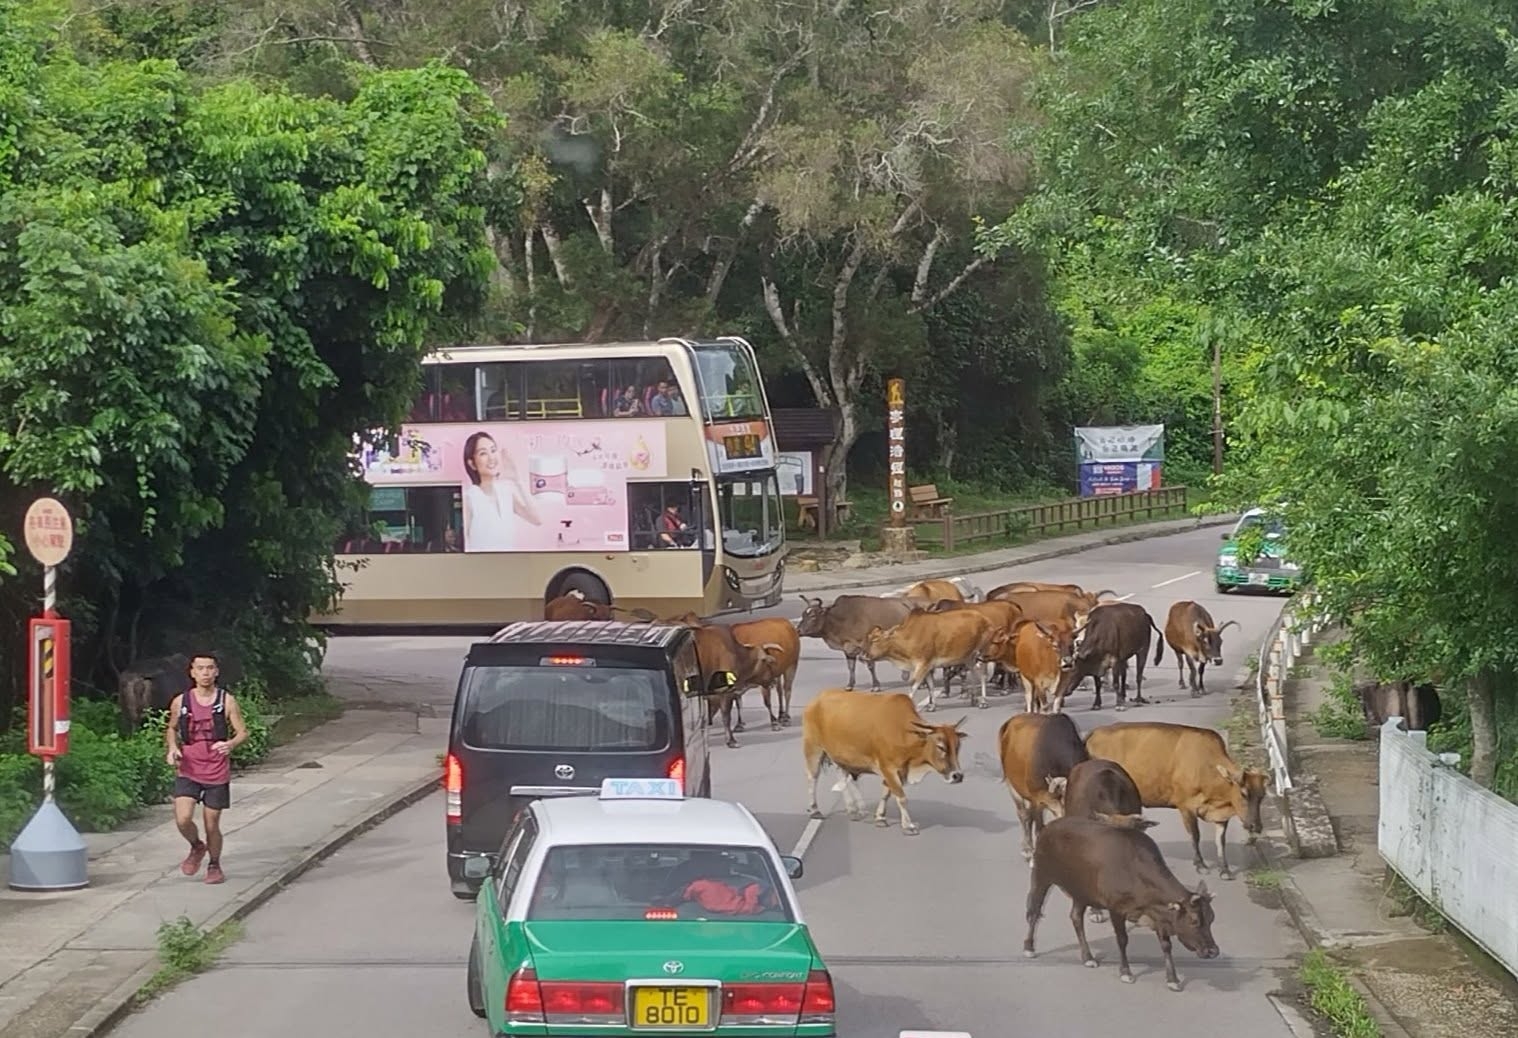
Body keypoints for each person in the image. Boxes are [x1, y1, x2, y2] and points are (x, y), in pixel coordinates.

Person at [164, 654, 249, 884]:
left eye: (210, 668)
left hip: (216, 770)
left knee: (212, 823)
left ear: (216, 672)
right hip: (189, 767)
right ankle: (196, 846)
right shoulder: (181, 701)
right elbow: (171, 728)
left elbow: (243, 732)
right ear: (192, 672)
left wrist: (230, 744)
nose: (205, 673)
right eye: (200, 668)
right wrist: (173, 748)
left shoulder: (227, 701)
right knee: (182, 819)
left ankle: (214, 864)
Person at [461, 431, 541, 551]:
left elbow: (537, 519)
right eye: (483, 453)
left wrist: (517, 480)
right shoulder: (469, 498)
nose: (491, 458)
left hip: (507, 563)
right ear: (472, 464)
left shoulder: (505, 492)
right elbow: (464, 543)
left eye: (493, 450)